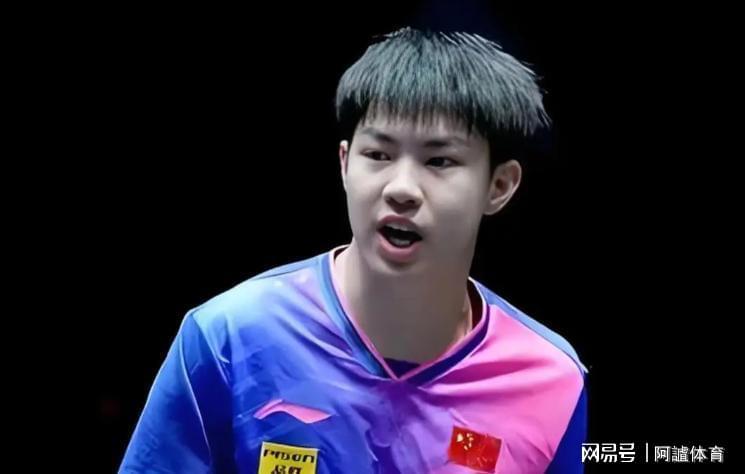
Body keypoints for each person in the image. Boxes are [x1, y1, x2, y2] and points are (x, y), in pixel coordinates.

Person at [120, 27, 588, 473]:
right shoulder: (228, 336)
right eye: (378, 155)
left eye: (439, 160)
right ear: (345, 164)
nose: (401, 188)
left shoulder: (550, 380)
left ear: (499, 186)